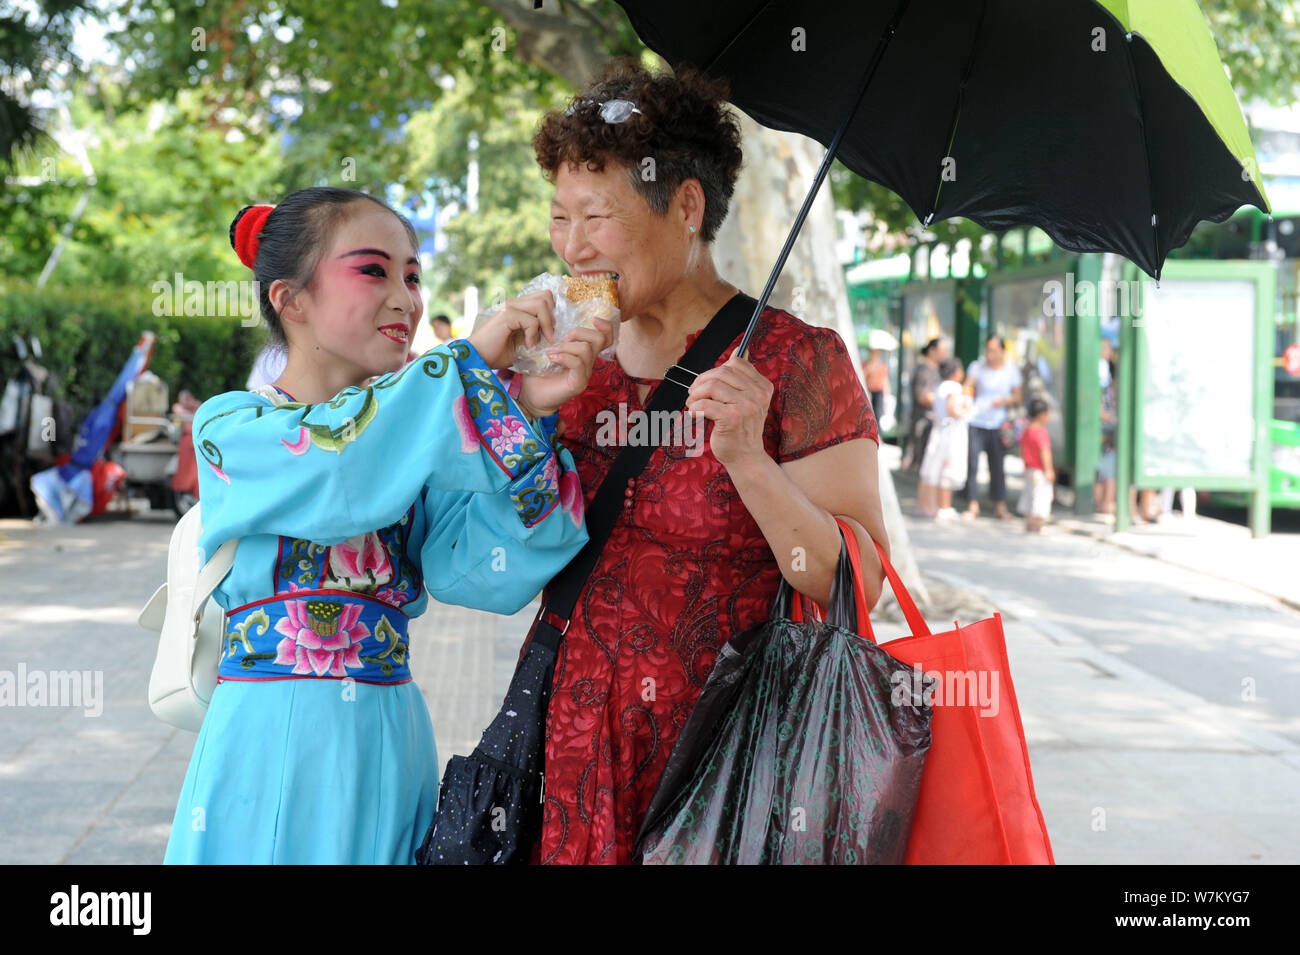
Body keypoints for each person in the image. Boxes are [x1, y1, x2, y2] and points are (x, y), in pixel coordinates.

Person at [163, 187, 609, 864]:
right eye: (373, 270)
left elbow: (490, 569)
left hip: (390, 733)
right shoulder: (230, 427)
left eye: (412, 275)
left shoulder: (414, 443)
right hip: (273, 736)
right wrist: (470, 365)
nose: (406, 296)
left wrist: (527, 414)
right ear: (291, 299)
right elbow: (340, 464)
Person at [512, 62, 886, 864]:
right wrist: (519, 408)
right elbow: (489, 561)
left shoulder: (799, 361)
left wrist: (750, 460)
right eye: (559, 217)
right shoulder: (566, 368)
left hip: (723, 769)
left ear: (685, 206)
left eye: (596, 217)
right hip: (572, 757)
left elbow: (855, 579)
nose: (571, 246)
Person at [961, 335, 1022, 521]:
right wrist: (967, 400)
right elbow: (967, 387)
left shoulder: (1011, 371)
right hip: (977, 421)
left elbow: (1017, 397)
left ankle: (1000, 506)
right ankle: (972, 504)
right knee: (972, 464)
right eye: (988, 350)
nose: (990, 354)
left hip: (998, 424)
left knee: (997, 466)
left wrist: (1004, 400)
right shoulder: (977, 367)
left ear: (1003, 351)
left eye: (994, 350)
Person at [918, 357, 972, 521]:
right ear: (956, 372)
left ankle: (928, 506)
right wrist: (968, 410)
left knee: (932, 470)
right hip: (950, 434)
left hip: (939, 429)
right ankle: (944, 506)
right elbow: (953, 409)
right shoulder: (954, 387)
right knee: (946, 471)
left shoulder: (938, 386)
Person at [902, 336, 947, 474]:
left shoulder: (936, 370)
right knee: (923, 467)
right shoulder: (924, 370)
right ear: (932, 350)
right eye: (943, 350)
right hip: (922, 422)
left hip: (931, 422)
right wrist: (944, 401)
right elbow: (922, 396)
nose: (945, 353)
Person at [1018, 398, 1054, 533]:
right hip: (1040, 471)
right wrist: (1049, 470)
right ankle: (1038, 525)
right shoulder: (1041, 432)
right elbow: (1045, 451)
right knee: (1041, 496)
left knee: (1029, 495)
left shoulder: (1027, 431)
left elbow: (1023, 451)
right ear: (1041, 414)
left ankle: (1029, 523)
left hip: (1029, 469)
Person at [862, 347, 891, 422]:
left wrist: (887, 396)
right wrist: (869, 368)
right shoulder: (865, 364)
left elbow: (885, 381)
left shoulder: (882, 366)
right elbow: (861, 376)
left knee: (877, 414)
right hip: (867, 391)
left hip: (878, 392)